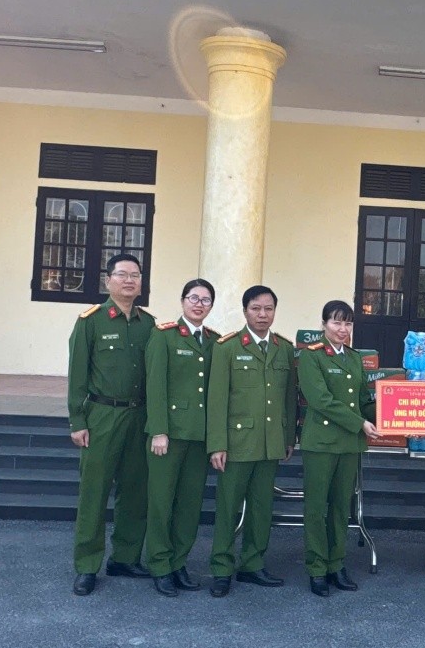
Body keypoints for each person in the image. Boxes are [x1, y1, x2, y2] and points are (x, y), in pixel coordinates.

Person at [67, 253, 155, 596]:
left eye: (135, 275)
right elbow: (77, 374)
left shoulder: (149, 325)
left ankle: (125, 557)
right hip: (102, 415)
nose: (129, 280)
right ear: (108, 280)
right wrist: (78, 420)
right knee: (94, 492)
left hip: (139, 416)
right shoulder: (91, 321)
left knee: (135, 490)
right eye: (122, 274)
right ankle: (87, 564)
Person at [206, 285, 298, 598]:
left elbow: (288, 397)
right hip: (236, 443)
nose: (262, 315)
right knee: (228, 507)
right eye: (256, 308)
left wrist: (288, 437)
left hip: (270, 442)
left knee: (262, 507)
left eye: (268, 309)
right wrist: (217, 443)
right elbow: (217, 399)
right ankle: (221, 567)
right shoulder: (227, 347)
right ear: (245, 311)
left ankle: (252, 564)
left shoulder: (284, 348)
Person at [297, 300, 381, 597]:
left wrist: (393, 414)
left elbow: (363, 400)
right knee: (316, 507)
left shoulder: (354, 358)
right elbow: (320, 400)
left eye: (347, 323)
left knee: (340, 507)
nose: (342, 329)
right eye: (336, 322)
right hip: (321, 443)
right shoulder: (312, 356)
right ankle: (317, 568)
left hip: (348, 445)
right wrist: (360, 423)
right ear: (323, 325)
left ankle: (336, 564)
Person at [143, 278, 220, 597]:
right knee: (162, 501)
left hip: (199, 436)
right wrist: (158, 430)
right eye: (193, 298)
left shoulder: (215, 341)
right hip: (169, 434)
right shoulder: (164, 335)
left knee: (190, 503)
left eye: (206, 300)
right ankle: (160, 564)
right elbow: (155, 385)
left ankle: (178, 562)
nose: (199, 304)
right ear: (182, 300)